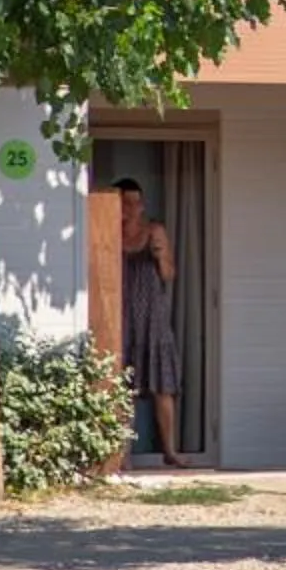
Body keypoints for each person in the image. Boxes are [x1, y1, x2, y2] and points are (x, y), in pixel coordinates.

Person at [114, 177, 185, 467]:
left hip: (152, 317)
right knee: (123, 389)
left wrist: (159, 256)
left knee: (162, 386)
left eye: (136, 203)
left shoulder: (154, 231)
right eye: (125, 203)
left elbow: (169, 275)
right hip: (121, 317)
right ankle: (122, 454)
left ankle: (170, 451)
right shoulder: (108, 232)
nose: (132, 209)